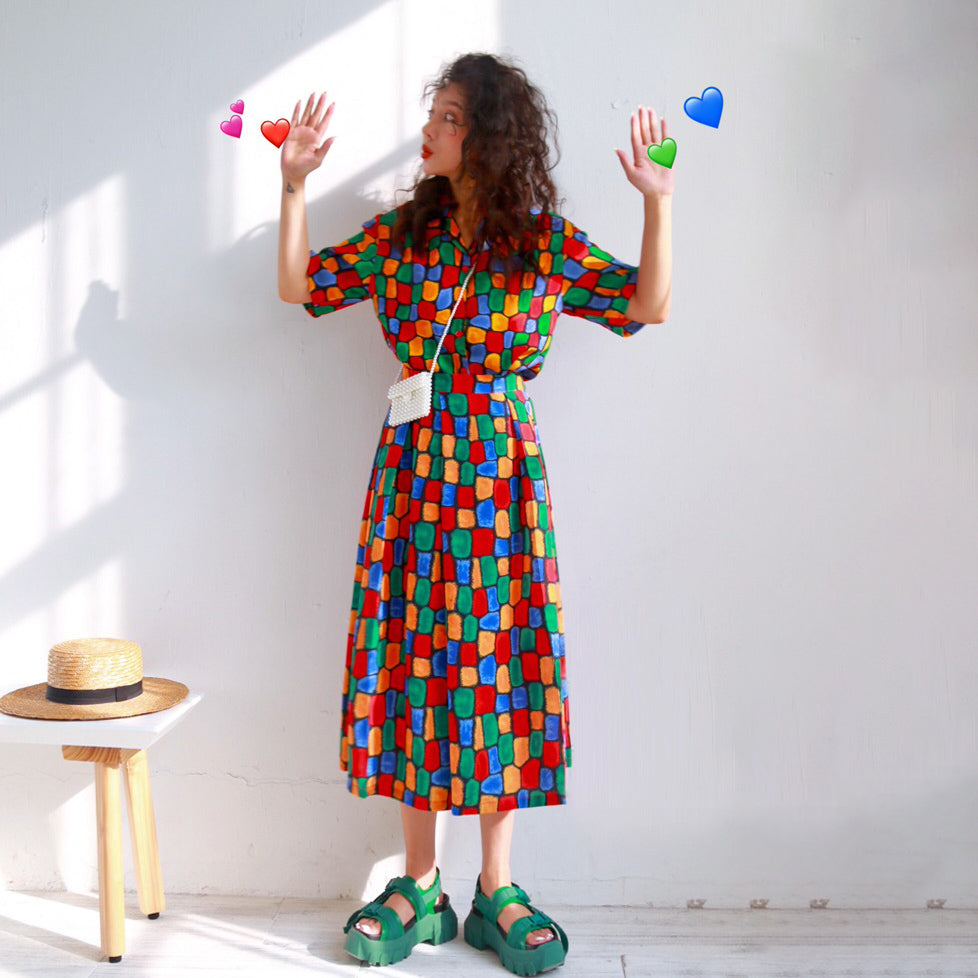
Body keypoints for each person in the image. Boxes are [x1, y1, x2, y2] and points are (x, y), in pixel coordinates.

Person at [277, 52, 673, 976]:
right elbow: (302, 286)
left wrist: (658, 203)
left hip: (500, 479)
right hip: (415, 474)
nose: (431, 130)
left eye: (450, 117)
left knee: (500, 663)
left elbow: (647, 304)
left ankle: (497, 887)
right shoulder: (402, 237)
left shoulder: (542, 243)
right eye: (435, 114)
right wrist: (294, 187)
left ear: (489, 134)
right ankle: (420, 884)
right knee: (415, 657)